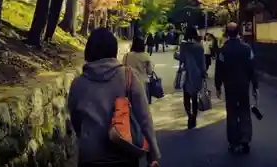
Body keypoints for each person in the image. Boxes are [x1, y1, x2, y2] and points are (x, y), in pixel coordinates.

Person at [68, 28, 160, 167]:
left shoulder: (78, 83)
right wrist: (152, 152)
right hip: (124, 151)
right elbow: (144, 117)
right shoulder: (129, 76)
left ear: (89, 51)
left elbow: (75, 119)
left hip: (90, 156)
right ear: (114, 49)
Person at [215, 22, 258, 155]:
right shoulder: (247, 49)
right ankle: (245, 138)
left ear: (227, 33)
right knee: (245, 111)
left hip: (230, 86)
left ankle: (233, 141)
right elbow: (252, 68)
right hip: (244, 85)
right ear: (239, 32)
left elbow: (219, 70)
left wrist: (218, 86)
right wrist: (255, 85)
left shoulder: (223, 50)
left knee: (232, 112)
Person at [179, 25, 207, 129]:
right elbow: (202, 62)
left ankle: (189, 115)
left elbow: (181, 59)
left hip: (186, 73)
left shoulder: (183, 46)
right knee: (195, 97)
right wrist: (204, 73)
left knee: (186, 96)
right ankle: (194, 117)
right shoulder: (199, 46)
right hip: (197, 74)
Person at [123, 35, 154, 104]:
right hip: (142, 84)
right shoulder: (146, 56)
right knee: (143, 106)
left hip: (129, 84)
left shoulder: (127, 55)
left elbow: (123, 69)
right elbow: (150, 71)